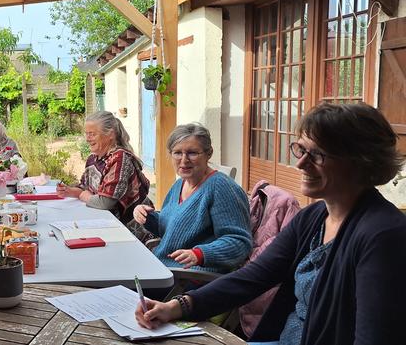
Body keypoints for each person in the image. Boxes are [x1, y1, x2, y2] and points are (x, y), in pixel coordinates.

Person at [136, 103, 406, 345]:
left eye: (318, 154)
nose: (300, 163)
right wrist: (178, 306)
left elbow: (375, 336)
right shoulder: (312, 219)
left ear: (360, 161)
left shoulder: (384, 236)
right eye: (300, 149)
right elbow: (253, 277)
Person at [132, 123, 251, 272]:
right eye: (177, 153)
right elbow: (172, 230)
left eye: (192, 153)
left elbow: (239, 242)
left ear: (209, 154)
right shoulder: (180, 184)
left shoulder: (221, 187)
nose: (184, 160)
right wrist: (147, 217)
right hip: (164, 268)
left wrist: (200, 254)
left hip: (191, 278)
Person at [56, 111, 151, 223]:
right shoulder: (93, 159)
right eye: (86, 134)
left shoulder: (119, 158)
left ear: (110, 134)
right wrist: (69, 191)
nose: (87, 139)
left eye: (92, 134)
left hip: (133, 231)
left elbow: (105, 202)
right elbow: (85, 187)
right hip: (105, 223)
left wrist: (81, 194)